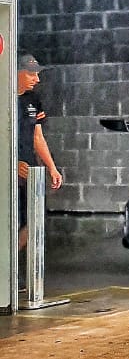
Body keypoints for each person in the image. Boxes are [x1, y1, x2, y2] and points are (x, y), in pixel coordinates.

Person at [17, 54, 63, 255]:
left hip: (28, 171)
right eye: (31, 74)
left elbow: (38, 137)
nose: (37, 79)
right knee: (11, 219)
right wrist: (10, 164)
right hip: (8, 171)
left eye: (37, 74)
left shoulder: (32, 100)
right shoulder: (3, 98)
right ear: (16, 73)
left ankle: (10, 264)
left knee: (34, 218)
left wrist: (52, 167)